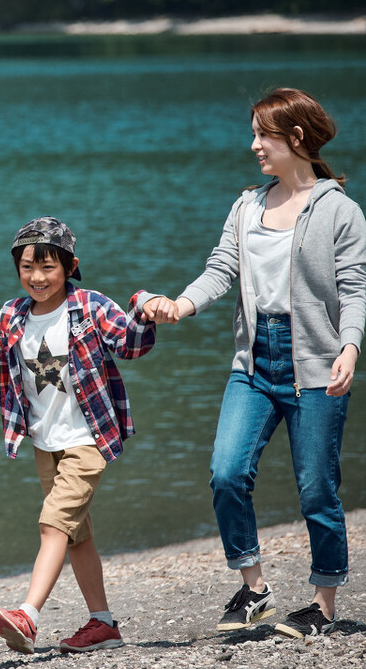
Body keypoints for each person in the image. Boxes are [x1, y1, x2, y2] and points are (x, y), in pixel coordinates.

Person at [144, 88, 365, 639]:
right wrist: (181, 304)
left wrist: (351, 347)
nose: (253, 146)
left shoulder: (340, 210)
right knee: (226, 471)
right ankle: (254, 589)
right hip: (253, 360)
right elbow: (222, 267)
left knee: (317, 487)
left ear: (296, 138)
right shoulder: (247, 205)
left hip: (315, 360)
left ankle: (323, 604)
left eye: (262, 135)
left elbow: (355, 289)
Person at [0, 217, 160, 655]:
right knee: (78, 535)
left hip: (88, 438)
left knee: (52, 523)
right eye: (27, 267)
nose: (37, 278)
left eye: (48, 267)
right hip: (44, 441)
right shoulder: (13, 315)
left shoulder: (90, 307)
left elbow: (132, 343)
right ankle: (103, 624)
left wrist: (144, 304)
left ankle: (28, 615)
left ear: (70, 266)